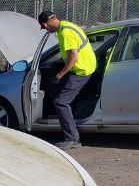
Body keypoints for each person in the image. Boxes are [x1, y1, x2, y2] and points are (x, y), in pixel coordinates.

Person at [37, 10, 97, 150]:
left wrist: (60, 74)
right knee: (57, 94)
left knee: (61, 102)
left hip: (81, 70)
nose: (45, 28)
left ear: (46, 23)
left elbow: (73, 57)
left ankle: (72, 139)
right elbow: (70, 52)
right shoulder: (67, 26)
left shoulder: (65, 32)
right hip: (86, 65)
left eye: (44, 26)